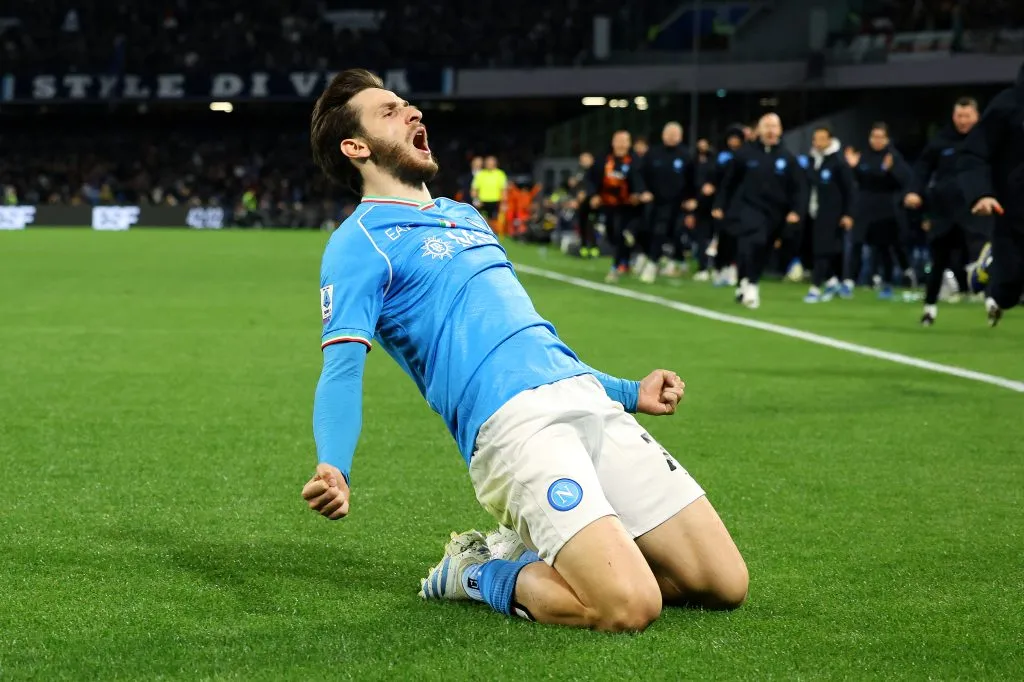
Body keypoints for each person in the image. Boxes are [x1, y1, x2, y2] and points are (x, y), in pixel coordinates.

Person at [304, 69, 748, 632]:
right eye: (388, 112)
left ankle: (558, 551)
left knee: (723, 583)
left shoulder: (465, 215)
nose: (413, 113)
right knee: (629, 607)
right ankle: (476, 571)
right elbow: (342, 369)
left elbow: (529, 340)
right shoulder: (358, 244)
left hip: (585, 400)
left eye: (407, 104)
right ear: (356, 147)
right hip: (514, 427)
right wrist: (334, 465)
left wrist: (627, 391)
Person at [905, 97, 987, 326]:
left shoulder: (987, 139)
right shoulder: (941, 140)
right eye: (959, 116)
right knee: (938, 261)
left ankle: (992, 302)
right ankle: (929, 309)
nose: (963, 120)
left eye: (967, 116)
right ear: (953, 116)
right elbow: (922, 168)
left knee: (982, 259)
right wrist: (914, 191)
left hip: (976, 210)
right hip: (944, 212)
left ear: (976, 116)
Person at [712, 113, 807, 309]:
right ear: (759, 130)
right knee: (751, 242)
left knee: (763, 248)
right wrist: (719, 204)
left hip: (775, 213)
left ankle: (744, 282)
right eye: (767, 126)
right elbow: (729, 182)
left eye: (774, 126)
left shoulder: (788, 158)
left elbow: (799, 188)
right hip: (748, 209)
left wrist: (796, 210)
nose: (771, 131)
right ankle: (752, 285)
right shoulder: (745, 154)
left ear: (780, 130)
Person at [959, 60, 1024, 327]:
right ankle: (990, 263)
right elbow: (974, 154)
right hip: (1012, 213)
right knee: (1007, 293)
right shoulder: (1007, 105)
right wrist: (981, 194)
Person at [845, 123, 913, 299]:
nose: (876, 140)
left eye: (880, 137)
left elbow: (904, 181)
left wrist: (888, 171)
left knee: (885, 247)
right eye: (874, 137)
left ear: (887, 139)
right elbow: (860, 180)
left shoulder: (893, 157)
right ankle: (849, 282)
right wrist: (853, 167)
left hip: (885, 209)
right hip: (864, 207)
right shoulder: (863, 156)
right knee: (856, 243)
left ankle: (888, 282)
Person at [631, 122, 697, 283]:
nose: (672, 137)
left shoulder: (686, 155)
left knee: (676, 233)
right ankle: (652, 262)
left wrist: (692, 198)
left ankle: (672, 261)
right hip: (657, 202)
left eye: (675, 135)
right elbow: (639, 174)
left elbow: (693, 179)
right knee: (656, 231)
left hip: (678, 204)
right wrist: (642, 191)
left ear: (680, 137)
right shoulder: (653, 153)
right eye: (669, 134)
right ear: (663, 135)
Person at [804, 126, 856, 303]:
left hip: (832, 213)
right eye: (815, 138)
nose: (817, 142)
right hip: (814, 212)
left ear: (829, 140)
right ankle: (834, 281)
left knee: (823, 250)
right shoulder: (812, 160)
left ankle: (815, 287)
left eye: (822, 138)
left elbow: (849, 190)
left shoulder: (838, 162)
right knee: (820, 249)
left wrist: (848, 214)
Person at [589, 130, 640, 283]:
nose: (621, 144)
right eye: (618, 140)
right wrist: (593, 195)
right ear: (613, 142)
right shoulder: (603, 160)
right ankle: (625, 260)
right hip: (608, 205)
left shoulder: (635, 161)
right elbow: (591, 178)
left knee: (620, 233)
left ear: (629, 144)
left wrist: (638, 194)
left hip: (628, 207)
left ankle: (616, 267)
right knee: (612, 234)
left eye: (624, 141)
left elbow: (641, 180)